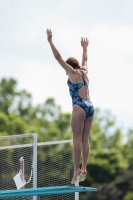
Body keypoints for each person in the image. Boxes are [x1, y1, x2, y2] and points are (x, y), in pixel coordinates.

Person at [46, 29, 94, 184]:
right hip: (90, 106)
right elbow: (85, 60)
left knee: (76, 139)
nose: (66, 74)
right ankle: (84, 168)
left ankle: (75, 170)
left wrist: (50, 41)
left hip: (79, 106)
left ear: (70, 66)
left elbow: (58, 57)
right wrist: (85, 48)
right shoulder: (84, 72)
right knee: (85, 139)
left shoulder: (72, 72)